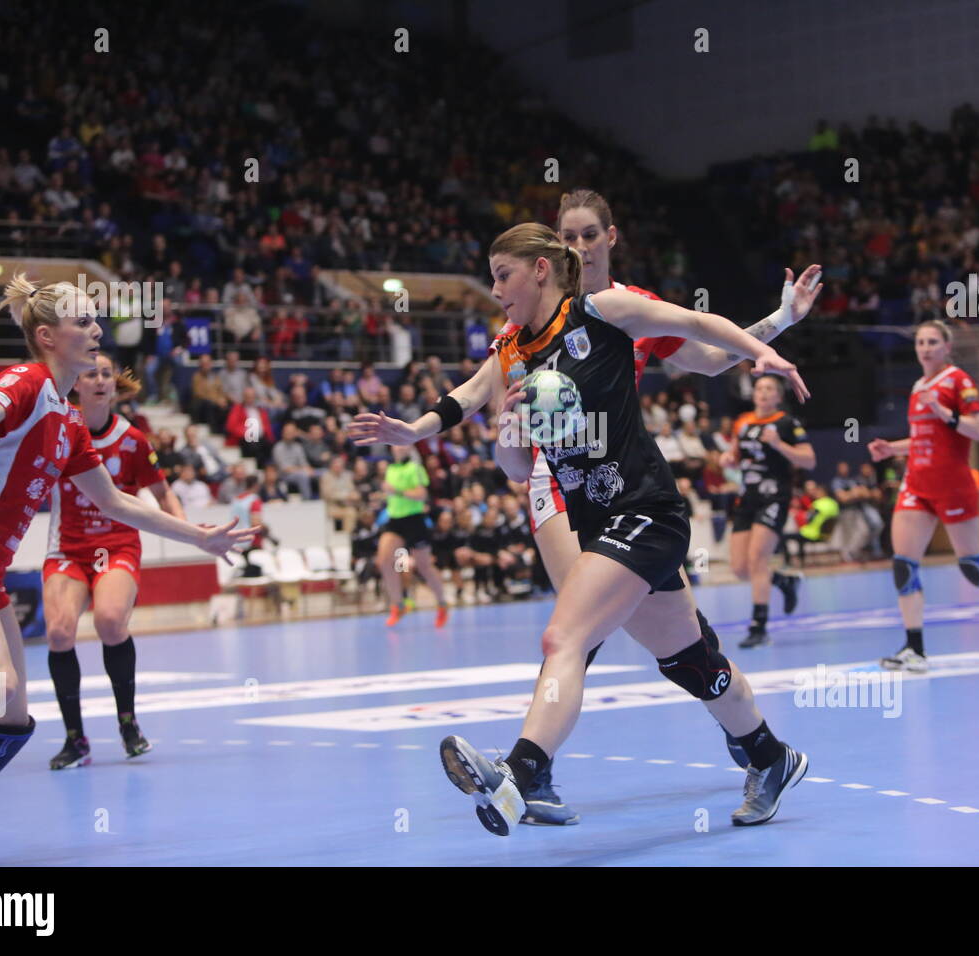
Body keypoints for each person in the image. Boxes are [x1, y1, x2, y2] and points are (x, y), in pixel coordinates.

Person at [351, 190, 821, 826]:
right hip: (584, 508)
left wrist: (770, 338)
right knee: (688, 658)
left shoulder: (609, 310)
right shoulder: (516, 349)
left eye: (502, 277)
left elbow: (703, 335)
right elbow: (485, 420)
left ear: (598, 243)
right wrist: (444, 430)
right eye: (567, 234)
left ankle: (520, 771)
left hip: (643, 508)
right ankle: (769, 755)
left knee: (567, 633)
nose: (495, 292)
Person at [0, 274, 256, 865]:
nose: (96, 329)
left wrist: (202, 536)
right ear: (46, 336)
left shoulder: (68, 423)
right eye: (82, 321)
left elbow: (116, 502)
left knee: (12, 721)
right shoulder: (24, 380)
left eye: (96, 319)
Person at [42, 353, 186, 770]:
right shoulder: (57, 431)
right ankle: (75, 739)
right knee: (58, 632)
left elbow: (163, 495)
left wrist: (190, 532)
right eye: (91, 374)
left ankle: (128, 724)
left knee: (108, 620)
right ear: (75, 384)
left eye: (107, 373)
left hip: (117, 546)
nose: (101, 380)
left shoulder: (133, 440)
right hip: (66, 548)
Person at [867, 319, 979, 673]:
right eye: (920, 342)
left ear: (947, 347)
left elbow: (977, 429)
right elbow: (924, 438)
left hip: (953, 484)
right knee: (903, 565)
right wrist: (892, 448)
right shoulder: (917, 386)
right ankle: (915, 649)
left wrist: (943, 411)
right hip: (917, 484)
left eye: (932, 342)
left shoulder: (959, 381)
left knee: (971, 565)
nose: (925, 347)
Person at [721, 375, 814, 648]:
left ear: (778, 396)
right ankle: (784, 581)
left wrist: (779, 445)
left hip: (774, 495)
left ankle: (759, 627)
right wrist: (729, 459)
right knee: (739, 568)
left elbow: (809, 460)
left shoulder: (788, 423)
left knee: (757, 558)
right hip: (747, 498)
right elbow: (737, 456)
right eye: (759, 388)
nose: (762, 393)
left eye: (769, 389)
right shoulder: (744, 422)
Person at [378, 444, 449, 627]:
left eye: (401, 445)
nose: (398, 448)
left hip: (415, 520)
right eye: (395, 446)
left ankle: (442, 603)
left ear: (408, 448)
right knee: (384, 561)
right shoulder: (390, 469)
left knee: (425, 566)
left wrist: (398, 491)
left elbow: (421, 494)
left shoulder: (415, 468)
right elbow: (390, 494)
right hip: (395, 520)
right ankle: (398, 604)